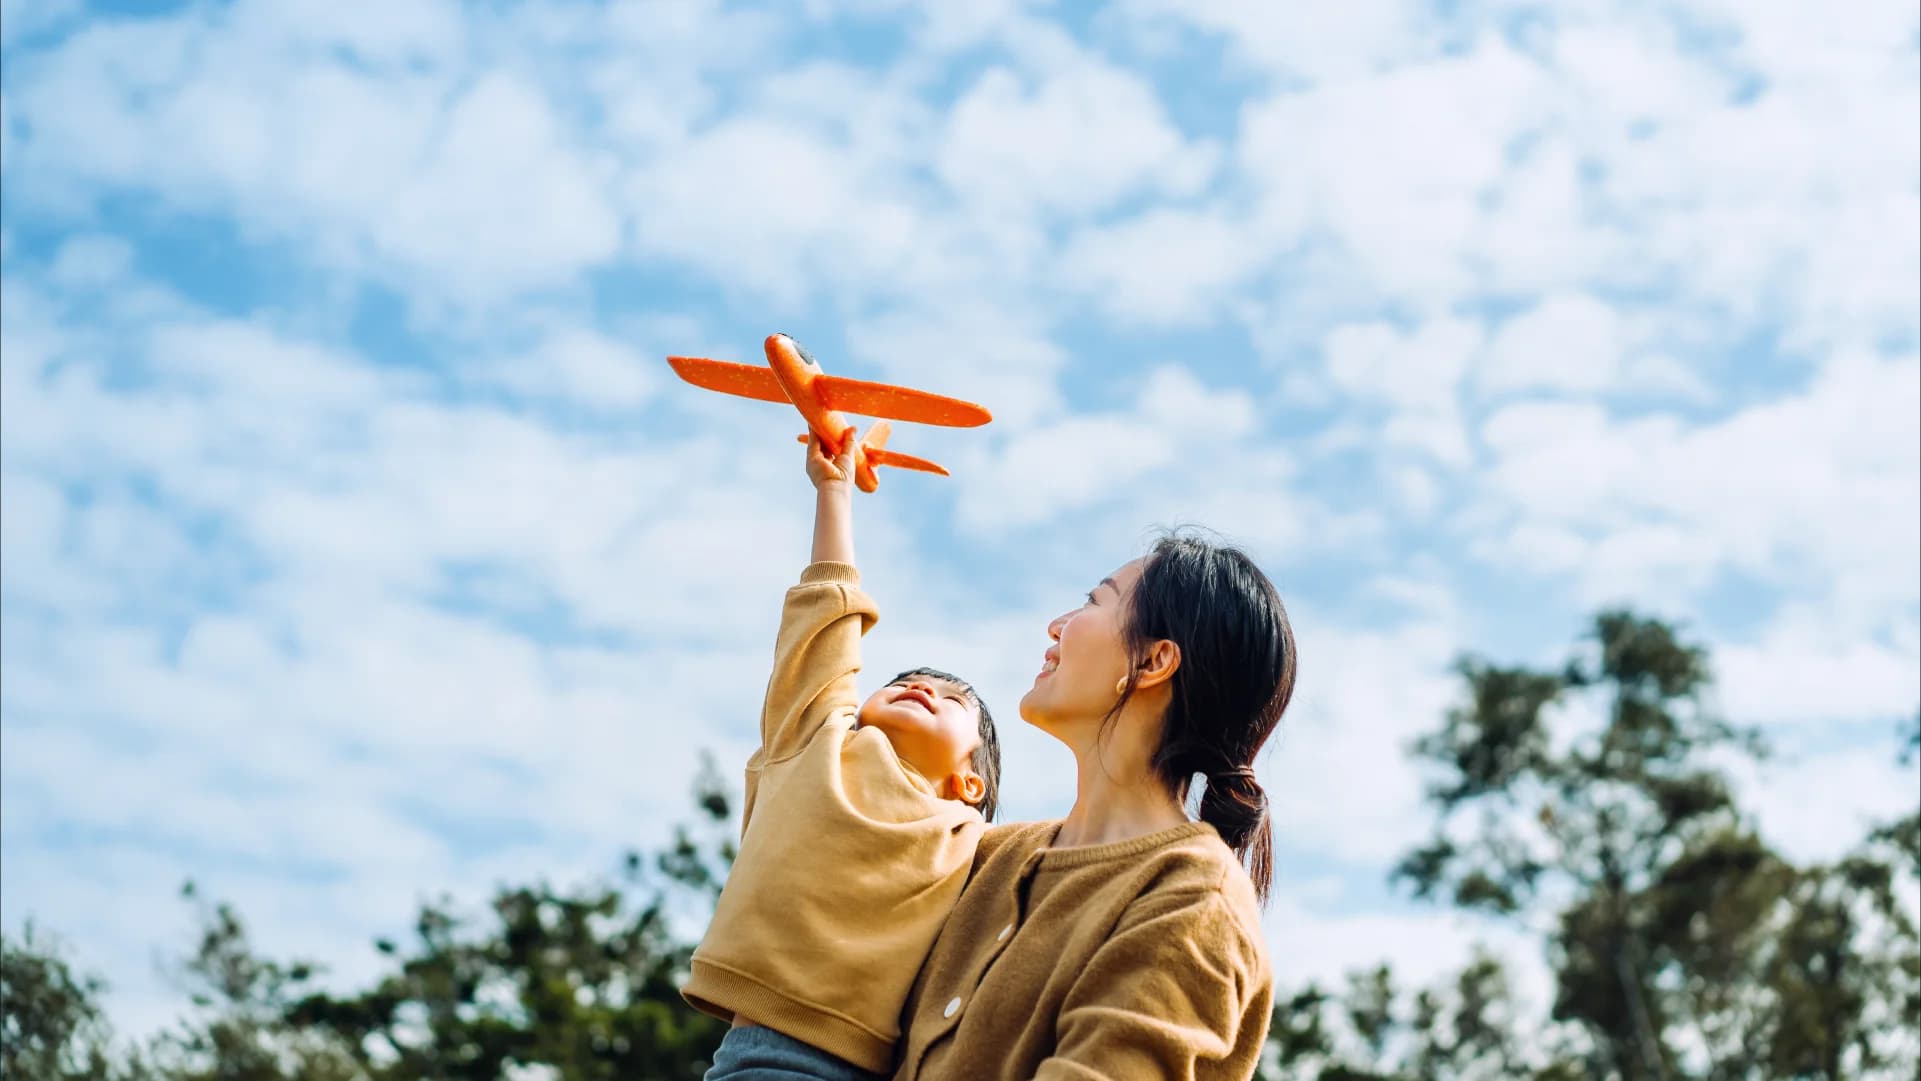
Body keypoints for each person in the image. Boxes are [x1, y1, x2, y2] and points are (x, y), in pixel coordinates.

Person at [893, 530, 1297, 1080]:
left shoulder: (1194, 900)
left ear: (1152, 661)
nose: (1057, 625)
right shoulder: (985, 855)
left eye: (1093, 600)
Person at [686, 430, 1003, 1081]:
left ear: (967, 781)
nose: (923, 687)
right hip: (754, 1055)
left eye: (951, 698)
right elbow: (826, 620)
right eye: (905, 680)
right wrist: (834, 491)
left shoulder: (971, 840)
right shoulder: (815, 741)